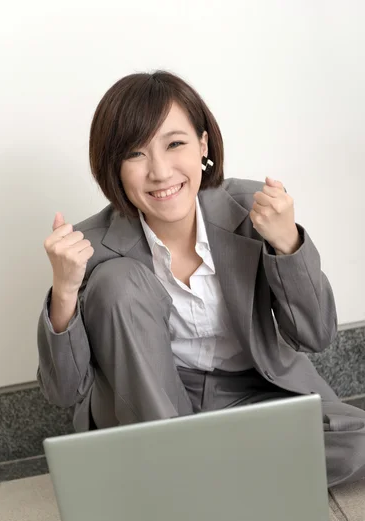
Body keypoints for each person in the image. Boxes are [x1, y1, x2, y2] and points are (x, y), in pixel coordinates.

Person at [37, 70, 365, 488]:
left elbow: (316, 335)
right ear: (113, 168)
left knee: (357, 443)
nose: (159, 171)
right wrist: (64, 291)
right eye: (135, 154)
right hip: (150, 406)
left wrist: (288, 243)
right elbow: (64, 392)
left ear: (203, 146)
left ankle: (191, 477)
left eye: (175, 144)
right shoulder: (90, 247)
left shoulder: (251, 210)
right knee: (118, 281)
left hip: (252, 394)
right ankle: (183, 465)